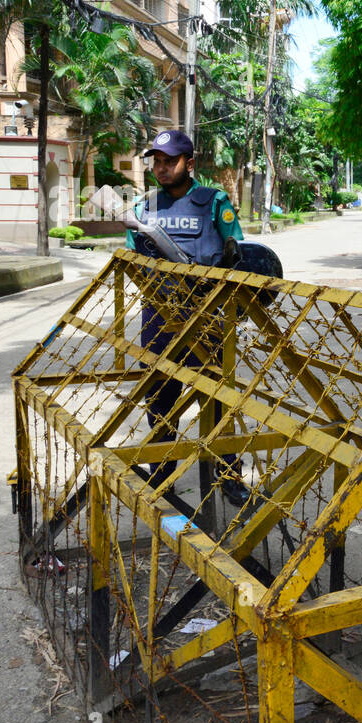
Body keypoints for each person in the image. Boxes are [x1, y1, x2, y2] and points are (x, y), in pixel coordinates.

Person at [130, 129, 248, 505]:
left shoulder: (214, 203)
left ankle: (227, 473)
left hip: (207, 316)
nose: (161, 169)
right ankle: (162, 475)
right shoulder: (143, 208)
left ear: (189, 164)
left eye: (170, 162)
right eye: (157, 162)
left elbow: (237, 254)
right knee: (160, 397)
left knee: (215, 396)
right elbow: (133, 262)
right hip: (159, 318)